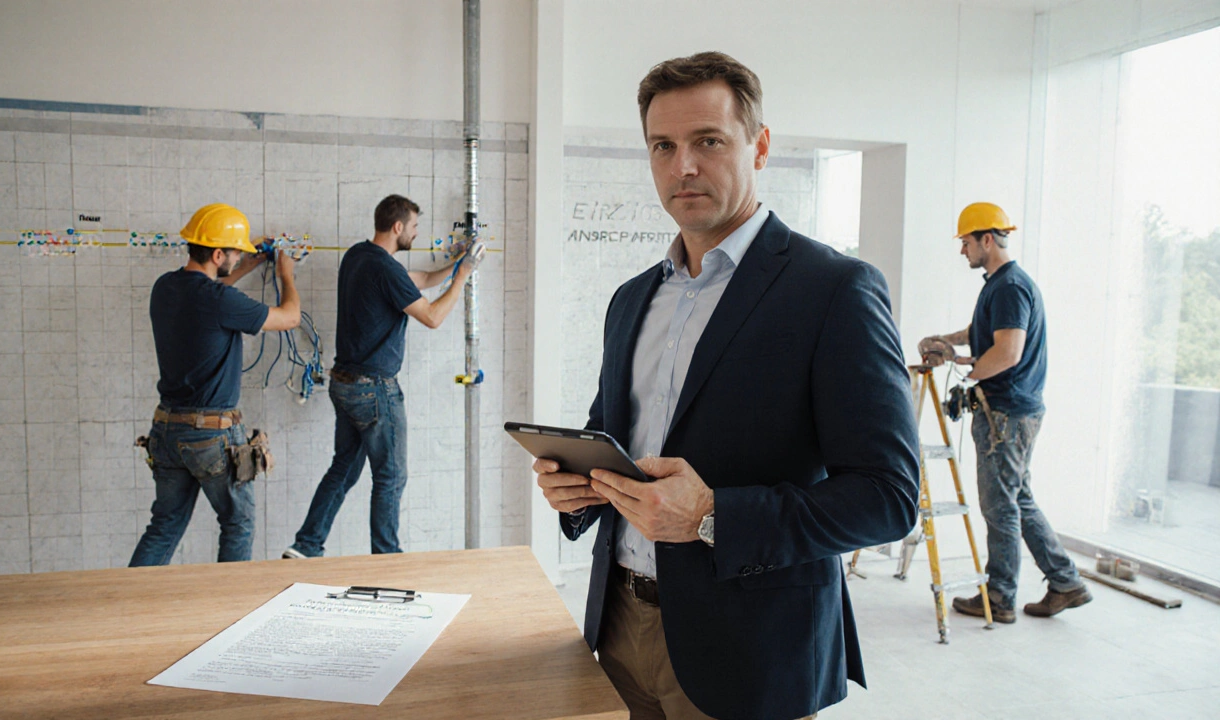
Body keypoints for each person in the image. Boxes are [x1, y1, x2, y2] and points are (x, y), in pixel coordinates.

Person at [533, 52, 920, 720]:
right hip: (619, 628)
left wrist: (713, 515)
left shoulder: (834, 290)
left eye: (708, 141)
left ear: (759, 146)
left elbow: (888, 499)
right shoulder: (631, 300)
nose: (683, 166)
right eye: (663, 146)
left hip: (753, 649)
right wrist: (577, 491)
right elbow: (615, 441)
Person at [920, 202, 1091, 624]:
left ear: (987, 239)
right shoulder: (999, 284)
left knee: (1000, 507)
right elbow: (987, 332)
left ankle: (999, 597)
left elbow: (1007, 352)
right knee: (1019, 500)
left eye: (966, 242)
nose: (962, 251)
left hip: (1006, 413)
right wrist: (949, 339)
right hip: (1015, 410)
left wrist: (963, 365)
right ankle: (1066, 582)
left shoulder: (1010, 286)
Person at [284, 194, 480, 558]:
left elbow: (416, 279)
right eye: (415, 227)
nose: (417, 234)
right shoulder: (385, 268)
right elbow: (433, 317)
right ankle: (386, 557)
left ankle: (306, 545)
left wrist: (456, 265)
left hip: (344, 383)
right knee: (391, 477)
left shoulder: (359, 256)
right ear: (398, 227)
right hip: (374, 391)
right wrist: (464, 276)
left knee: (343, 469)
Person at [130, 203, 301, 566]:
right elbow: (290, 318)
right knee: (238, 523)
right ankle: (231, 610)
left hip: (166, 430)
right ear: (218, 253)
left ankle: (128, 607)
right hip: (212, 436)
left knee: (164, 526)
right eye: (235, 252)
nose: (239, 256)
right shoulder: (219, 300)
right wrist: (287, 275)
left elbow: (210, 289)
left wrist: (248, 264)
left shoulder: (165, 287)